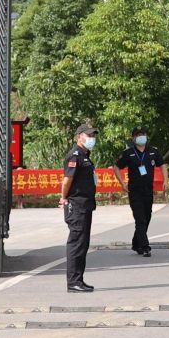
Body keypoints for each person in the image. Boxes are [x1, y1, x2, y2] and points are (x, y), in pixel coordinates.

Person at [62, 120, 99, 293]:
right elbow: (67, 180)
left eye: (93, 136)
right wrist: (64, 198)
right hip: (76, 206)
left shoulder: (85, 155)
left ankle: (79, 280)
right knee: (76, 243)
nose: (92, 138)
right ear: (79, 137)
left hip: (85, 205)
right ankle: (73, 282)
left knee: (83, 244)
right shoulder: (75, 155)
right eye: (89, 135)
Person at [116, 127, 159, 257]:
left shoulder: (152, 151)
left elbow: (162, 165)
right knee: (140, 219)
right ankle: (145, 247)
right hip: (134, 191)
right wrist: (122, 183)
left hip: (148, 190)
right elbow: (116, 167)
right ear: (133, 138)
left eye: (143, 134)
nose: (141, 136)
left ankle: (136, 243)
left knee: (147, 217)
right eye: (138, 135)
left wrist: (166, 181)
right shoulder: (128, 153)